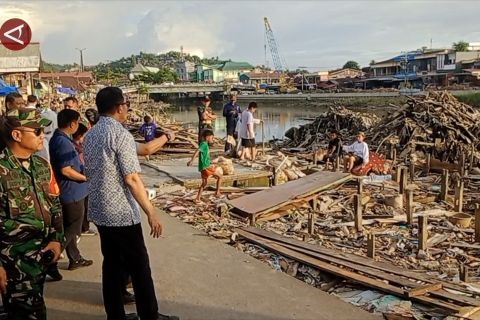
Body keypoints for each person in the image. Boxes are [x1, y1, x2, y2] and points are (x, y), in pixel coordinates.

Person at [83, 87, 178, 320]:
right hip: (121, 214)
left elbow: (144, 149)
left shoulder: (92, 134)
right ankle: (150, 315)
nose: (128, 108)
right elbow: (132, 178)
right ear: (119, 107)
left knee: (112, 266)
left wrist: (165, 137)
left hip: (100, 211)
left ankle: (115, 315)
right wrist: (151, 212)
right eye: (126, 104)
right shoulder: (120, 135)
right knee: (139, 268)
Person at [0, 109, 64, 320]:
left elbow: (54, 205)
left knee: (36, 307)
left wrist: (56, 240)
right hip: (13, 260)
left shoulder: (41, 165)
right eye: (37, 131)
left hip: (42, 256)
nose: (42, 135)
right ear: (17, 135)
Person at [49, 109, 93, 271]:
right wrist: (85, 178)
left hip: (73, 191)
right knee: (73, 228)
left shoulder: (61, 139)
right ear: (72, 124)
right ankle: (50, 258)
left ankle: (75, 258)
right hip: (72, 192)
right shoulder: (62, 142)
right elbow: (66, 170)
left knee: (70, 227)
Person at [187, 129, 222, 203]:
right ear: (207, 137)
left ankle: (198, 198)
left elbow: (204, 156)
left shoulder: (204, 144)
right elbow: (197, 151)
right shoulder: (204, 144)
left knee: (204, 183)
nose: (212, 140)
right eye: (212, 138)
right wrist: (192, 160)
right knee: (220, 176)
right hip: (206, 167)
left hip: (203, 167)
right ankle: (217, 192)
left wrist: (211, 161)